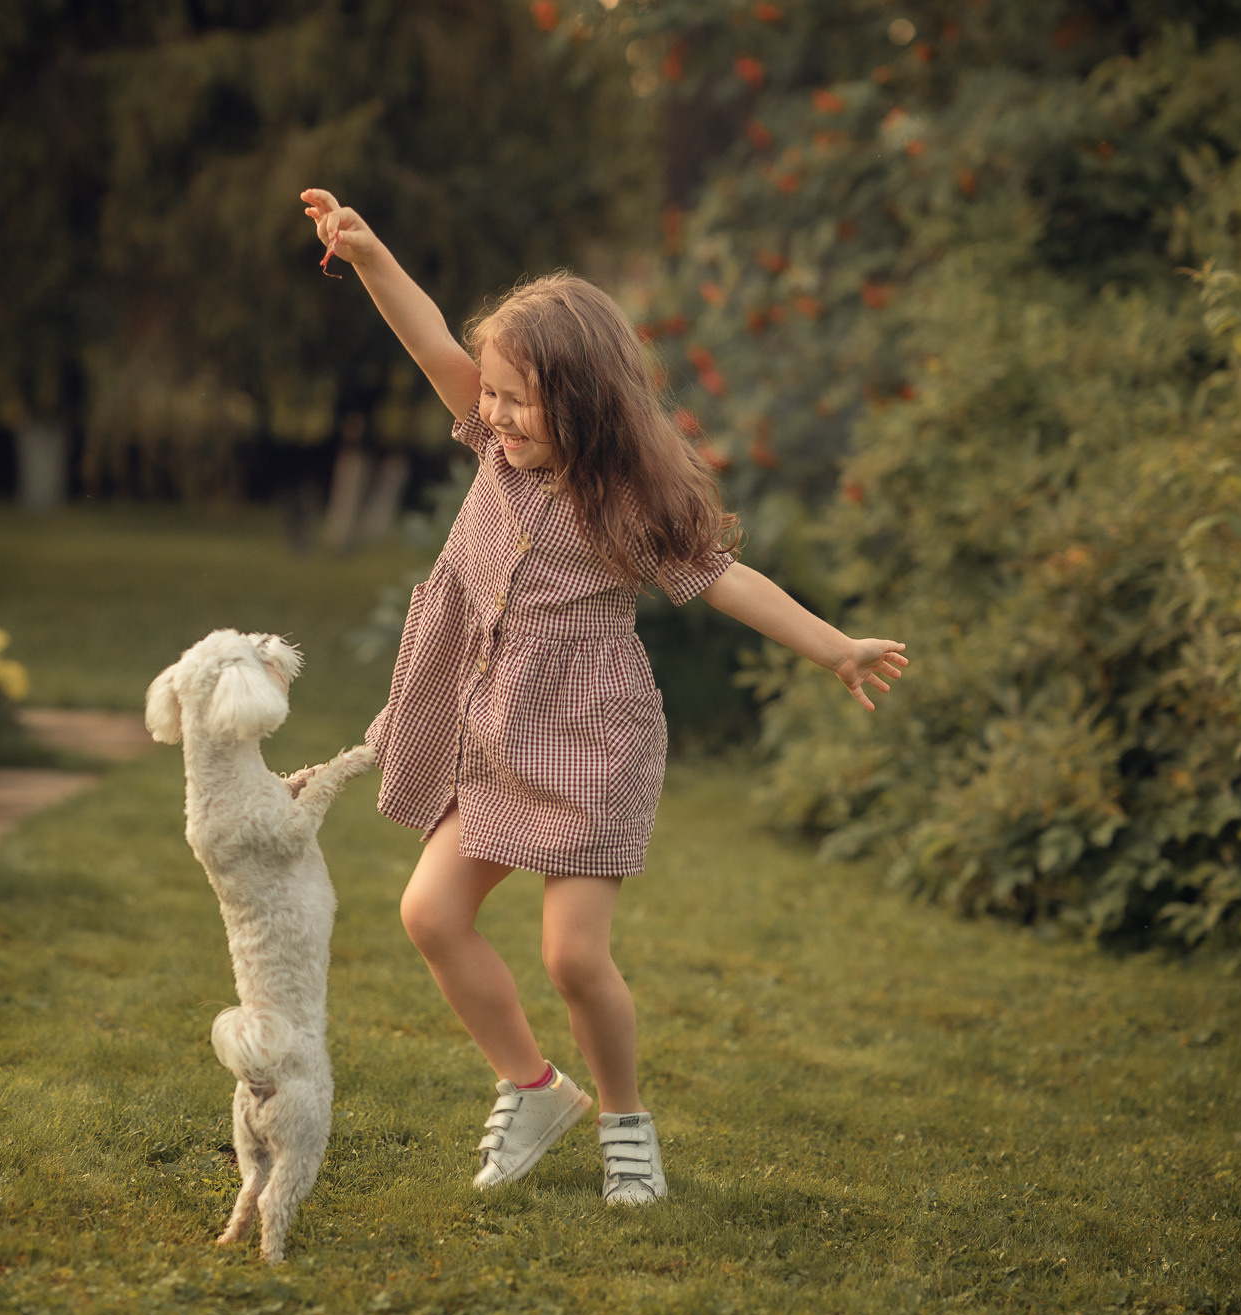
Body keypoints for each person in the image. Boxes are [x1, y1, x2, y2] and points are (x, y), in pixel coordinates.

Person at [300, 188, 908, 1205]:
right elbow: (427, 339)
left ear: (583, 401)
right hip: (492, 726)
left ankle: (625, 1120)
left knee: (573, 956)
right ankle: (532, 1087)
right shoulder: (491, 442)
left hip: (586, 739)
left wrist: (832, 645)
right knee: (428, 912)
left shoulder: (627, 499)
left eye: (514, 400)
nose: (491, 413)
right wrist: (366, 256)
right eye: (486, 395)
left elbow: (725, 579)